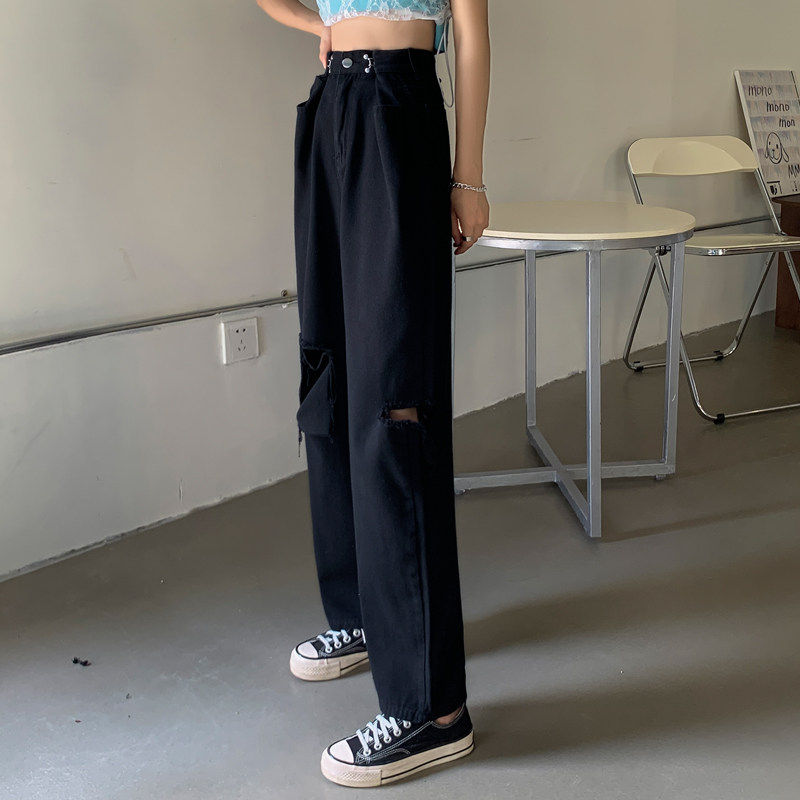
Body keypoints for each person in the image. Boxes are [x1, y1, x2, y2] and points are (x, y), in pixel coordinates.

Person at [256, 0, 490, 787]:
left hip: (398, 104)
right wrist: (314, 28)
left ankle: (434, 709)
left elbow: (472, 31)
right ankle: (361, 615)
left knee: (395, 392)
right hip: (335, 107)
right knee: (331, 365)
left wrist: (468, 175)